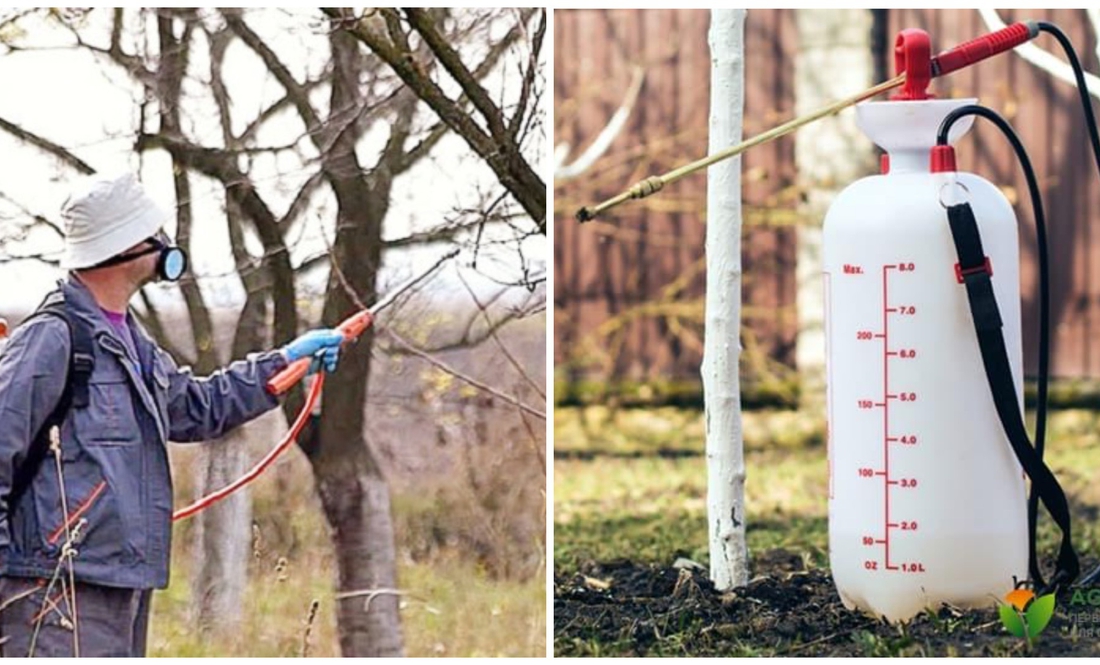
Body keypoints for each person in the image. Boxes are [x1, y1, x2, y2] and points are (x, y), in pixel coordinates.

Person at [0, 173, 345, 657]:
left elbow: (199, 406)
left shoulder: (132, 343)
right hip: (53, 594)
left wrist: (285, 362)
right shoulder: (52, 338)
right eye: (151, 233)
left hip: (122, 588)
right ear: (120, 246)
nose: (164, 243)